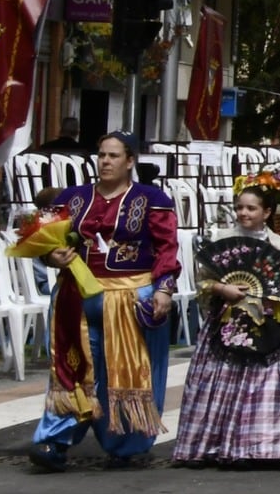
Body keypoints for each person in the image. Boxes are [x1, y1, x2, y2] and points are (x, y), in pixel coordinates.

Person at [28, 132, 180, 471]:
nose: (106, 161)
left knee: (125, 371)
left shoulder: (152, 199)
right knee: (71, 368)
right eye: (101, 155)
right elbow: (45, 240)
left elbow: (167, 247)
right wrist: (54, 256)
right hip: (75, 296)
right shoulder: (74, 197)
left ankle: (126, 442)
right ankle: (54, 440)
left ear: (130, 161)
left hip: (129, 295)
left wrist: (163, 289)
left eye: (113, 156)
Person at [171, 184, 280, 466]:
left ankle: (264, 447)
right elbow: (203, 280)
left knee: (263, 385)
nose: (244, 213)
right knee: (221, 382)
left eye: (251, 208)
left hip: (267, 325)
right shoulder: (222, 239)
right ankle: (213, 444)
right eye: (240, 207)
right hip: (227, 322)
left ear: (267, 212)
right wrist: (221, 289)